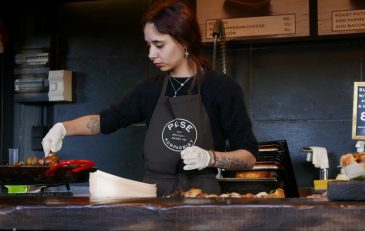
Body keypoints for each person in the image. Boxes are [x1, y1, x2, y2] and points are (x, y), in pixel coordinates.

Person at [41, 0, 257, 196]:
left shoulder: (221, 88)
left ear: (185, 41)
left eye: (159, 45)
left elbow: (248, 157)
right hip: (155, 198)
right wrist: (63, 128)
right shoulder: (149, 90)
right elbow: (106, 120)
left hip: (202, 198)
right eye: (148, 45)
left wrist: (211, 158)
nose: (151, 54)